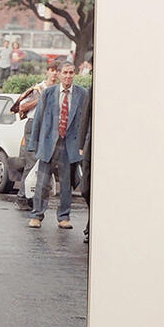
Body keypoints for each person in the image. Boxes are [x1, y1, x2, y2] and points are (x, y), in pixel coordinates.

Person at [27, 62, 87, 229]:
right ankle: (36, 215)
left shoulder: (82, 94)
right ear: (59, 74)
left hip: (70, 145)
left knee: (66, 184)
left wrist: (84, 145)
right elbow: (38, 118)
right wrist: (33, 144)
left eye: (71, 72)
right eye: (65, 72)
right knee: (42, 183)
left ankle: (64, 217)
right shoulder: (48, 93)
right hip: (49, 144)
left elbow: (86, 122)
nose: (68, 76)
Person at [12, 61, 59, 209]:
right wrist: (40, 100)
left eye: (57, 71)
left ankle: (33, 198)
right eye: (52, 70)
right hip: (34, 126)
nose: (54, 73)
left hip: (50, 127)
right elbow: (22, 106)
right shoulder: (38, 89)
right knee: (31, 163)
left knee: (44, 163)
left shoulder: (58, 90)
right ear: (47, 72)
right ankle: (22, 198)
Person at [77, 80, 92, 243]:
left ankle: (91, 226)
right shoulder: (93, 89)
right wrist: (81, 145)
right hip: (91, 147)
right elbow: (85, 117)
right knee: (86, 189)